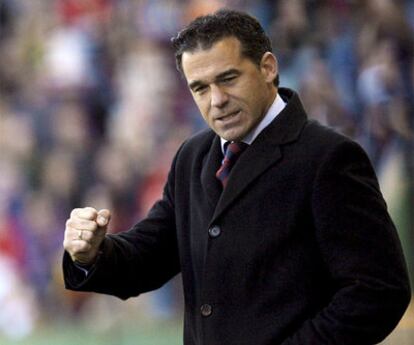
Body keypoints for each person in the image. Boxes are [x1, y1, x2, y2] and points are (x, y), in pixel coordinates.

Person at [62, 9, 411, 345]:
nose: (217, 100)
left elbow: (378, 291)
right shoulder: (193, 156)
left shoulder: (328, 157)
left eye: (228, 78)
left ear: (268, 68)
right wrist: (92, 254)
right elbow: (149, 256)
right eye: (199, 88)